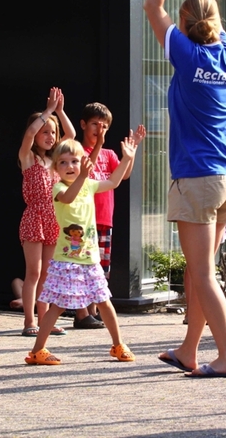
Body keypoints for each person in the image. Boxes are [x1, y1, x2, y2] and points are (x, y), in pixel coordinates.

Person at [144, 0, 226, 377]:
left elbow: (152, 6)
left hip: (199, 176)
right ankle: (189, 349)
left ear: (184, 27)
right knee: (202, 269)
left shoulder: (186, 54)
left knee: (202, 274)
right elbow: (208, 11)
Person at [24, 136, 138, 365]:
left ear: (83, 162)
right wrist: (84, 176)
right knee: (58, 305)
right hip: (67, 260)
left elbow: (114, 182)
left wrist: (127, 158)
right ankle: (37, 351)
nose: (70, 166)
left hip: (90, 259)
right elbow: (68, 198)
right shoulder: (58, 188)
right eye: (63, 162)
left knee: (104, 301)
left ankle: (118, 345)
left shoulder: (89, 184)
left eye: (75, 161)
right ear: (55, 168)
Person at [73, 103, 146, 328]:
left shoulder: (109, 153)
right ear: (83, 124)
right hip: (83, 220)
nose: (99, 129)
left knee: (100, 267)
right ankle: (81, 312)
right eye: (95, 124)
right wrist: (98, 146)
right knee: (81, 265)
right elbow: (85, 171)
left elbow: (123, 175)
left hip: (105, 219)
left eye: (104, 126)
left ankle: (93, 311)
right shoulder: (77, 151)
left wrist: (131, 152)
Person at [18, 88, 75, 337]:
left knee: (48, 274)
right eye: (45, 132)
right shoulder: (28, 157)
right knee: (33, 272)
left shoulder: (55, 161)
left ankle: (45, 320)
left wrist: (59, 112)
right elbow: (29, 134)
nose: (50, 136)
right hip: (34, 217)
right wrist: (48, 111)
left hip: (53, 218)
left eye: (52, 132)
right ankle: (29, 320)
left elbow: (71, 135)